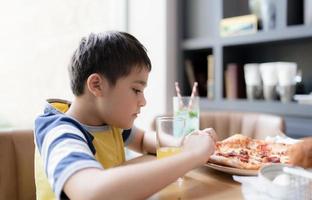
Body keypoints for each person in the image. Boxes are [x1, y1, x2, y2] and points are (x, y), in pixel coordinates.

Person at [34, 31, 216, 200]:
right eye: (136, 90)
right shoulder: (60, 132)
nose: (143, 101)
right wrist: (192, 155)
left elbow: (144, 139)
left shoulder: (108, 123)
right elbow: (91, 192)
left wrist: (184, 143)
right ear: (97, 85)